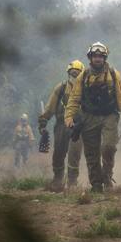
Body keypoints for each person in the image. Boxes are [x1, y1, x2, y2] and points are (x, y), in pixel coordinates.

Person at [64, 42, 121, 193]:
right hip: (89, 117)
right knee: (91, 153)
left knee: (109, 147)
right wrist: (69, 116)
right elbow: (74, 99)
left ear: (104, 58)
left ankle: (107, 176)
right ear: (90, 58)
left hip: (109, 116)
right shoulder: (83, 77)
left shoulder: (114, 74)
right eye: (95, 56)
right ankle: (96, 184)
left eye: (100, 56)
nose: (97, 59)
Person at [39, 60, 85, 191]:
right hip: (61, 125)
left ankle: (72, 182)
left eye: (77, 73)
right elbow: (50, 107)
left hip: (78, 126)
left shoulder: (86, 89)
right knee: (59, 152)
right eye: (72, 72)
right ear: (68, 73)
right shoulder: (61, 88)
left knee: (74, 153)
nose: (74, 75)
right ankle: (58, 179)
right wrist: (43, 122)